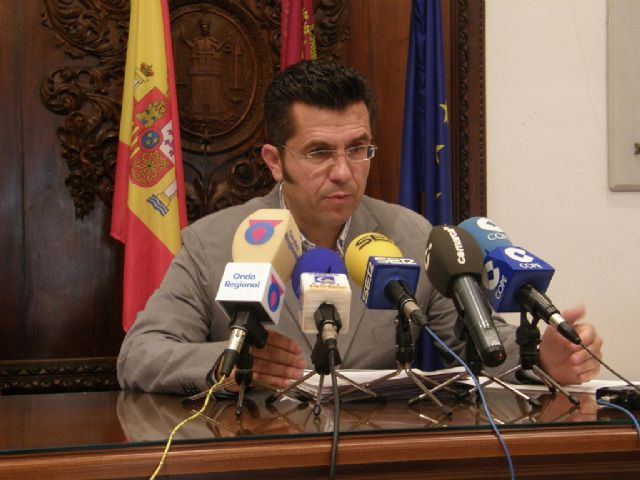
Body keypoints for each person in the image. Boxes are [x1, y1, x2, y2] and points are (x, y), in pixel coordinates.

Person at [117, 61, 603, 395]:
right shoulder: (214, 242)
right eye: (319, 152)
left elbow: (475, 340)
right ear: (274, 161)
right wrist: (230, 363)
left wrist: (542, 358)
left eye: (357, 148)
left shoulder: (408, 235)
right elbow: (140, 354)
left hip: (374, 453)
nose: (344, 172)